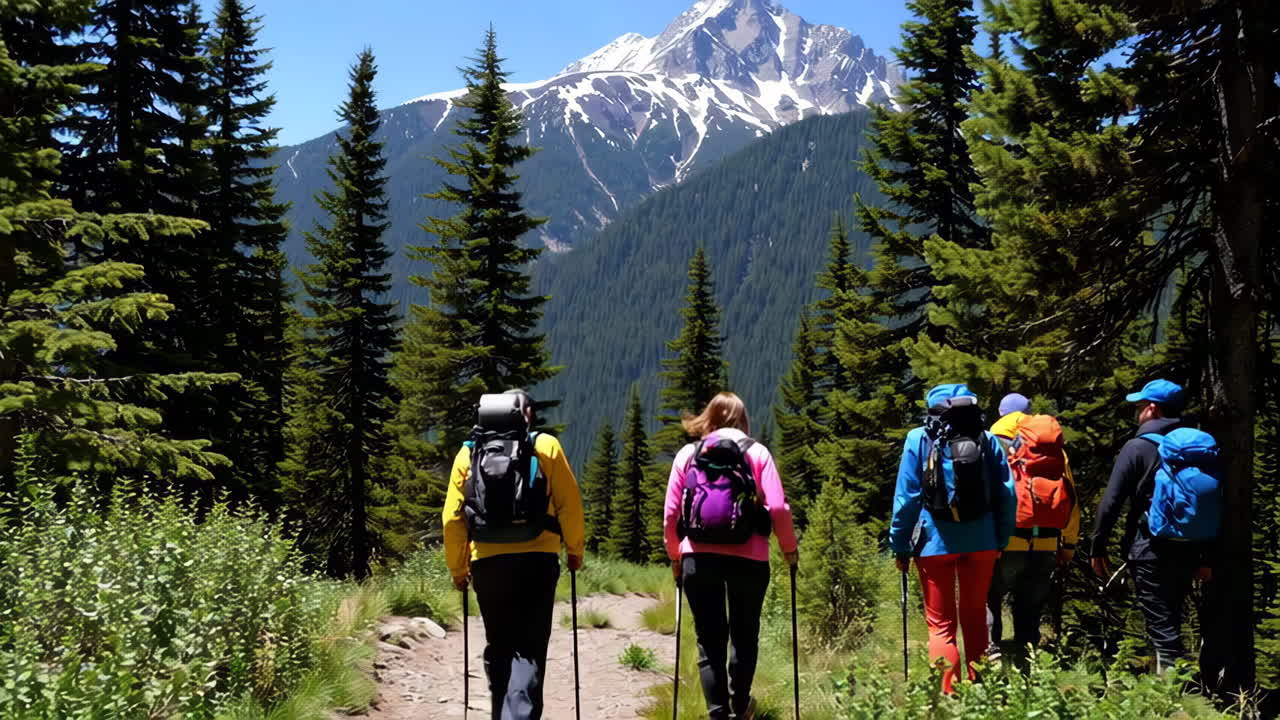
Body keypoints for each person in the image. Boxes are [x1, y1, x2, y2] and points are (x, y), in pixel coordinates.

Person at [442, 389, 585, 720]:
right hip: (538, 559)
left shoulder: (468, 453)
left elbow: (452, 517)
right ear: (527, 414)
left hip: (487, 563)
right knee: (529, 650)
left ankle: (501, 711)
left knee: (500, 644)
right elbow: (570, 504)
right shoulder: (544, 446)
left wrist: (458, 569)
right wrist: (575, 551)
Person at [663, 392, 798, 720]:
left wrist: (675, 556)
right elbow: (778, 508)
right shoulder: (758, 453)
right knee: (744, 633)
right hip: (750, 557)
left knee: (709, 641)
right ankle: (741, 707)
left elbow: (670, 514)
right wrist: (789, 550)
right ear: (742, 419)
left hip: (698, 556)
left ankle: (718, 713)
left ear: (708, 418)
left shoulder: (687, 454)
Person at [889, 383, 1015, 694]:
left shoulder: (918, 439)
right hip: (983, 541)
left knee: (941, 625)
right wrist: (1000, 539)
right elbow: (1007, 495)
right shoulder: (986, 440)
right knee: (974, 615)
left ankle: (949, 698)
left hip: (935, 542)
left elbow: (906, 498)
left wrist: (900, 544)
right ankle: (981, 692)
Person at [1091, 379, 1211, 674]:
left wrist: (1098, 547)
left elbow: (1111, 502)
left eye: (1140, 406)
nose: (1138, 412)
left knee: (1160, 624)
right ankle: (1173, 682)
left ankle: (1173, 694)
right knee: (1171, 615)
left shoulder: (1137, 447)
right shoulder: (1200, 447)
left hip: (1149, 547)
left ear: (1152, 410)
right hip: (1191, 546)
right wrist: (1207, 557)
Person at [986, 393, 1079, 658]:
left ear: (1002, 414)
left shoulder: (996, 444)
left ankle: (992, 650)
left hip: (1009, 539)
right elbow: (1071, 499)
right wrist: (1069, 544)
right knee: (1030, 602)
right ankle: (1027, 654)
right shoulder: (1054, 449)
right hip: (1047, 540)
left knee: (990, 593)